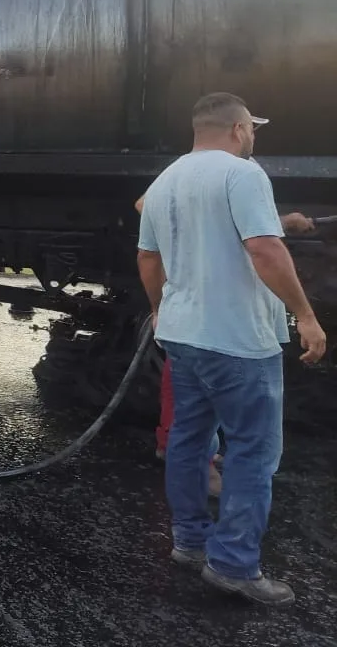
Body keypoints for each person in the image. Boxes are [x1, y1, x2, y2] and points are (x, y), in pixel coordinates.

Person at [137, 92, 326, 606]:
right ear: (239, 129)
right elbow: (263, 248)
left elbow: (149, 258)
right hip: (238, 340)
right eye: (253, 131)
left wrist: (160, 309)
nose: (253, 138)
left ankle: (189, 544)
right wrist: (306, 317)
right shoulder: (244, 175)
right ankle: (234, 564)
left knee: (190, 441)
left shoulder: (165, 181)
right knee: (253, 452)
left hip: (184, 334)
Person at [136, 195, 315, 478]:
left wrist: (279, 224)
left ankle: (190, 455)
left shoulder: (226, 169)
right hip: (203, 294)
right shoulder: (209, 169)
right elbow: (146, 205)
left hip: (205, 294)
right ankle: (192, 464)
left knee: (195, 381)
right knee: (198, 382)